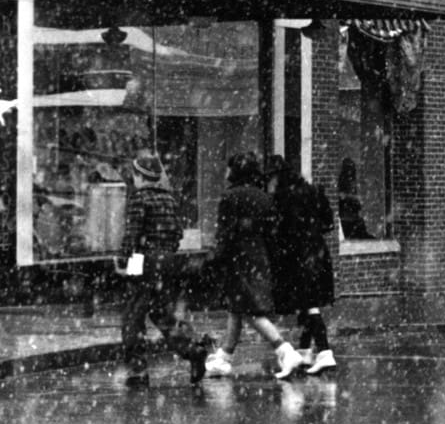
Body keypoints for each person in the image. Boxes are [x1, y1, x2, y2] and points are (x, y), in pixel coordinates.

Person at [203, 153, 306, 380]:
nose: (225, 172)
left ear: (236, 171)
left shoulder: (230, 197)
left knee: (249, 310)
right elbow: (272, 232)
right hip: (259, 257)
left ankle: (284, 350)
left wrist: (213, 259)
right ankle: (224, 356)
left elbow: (225, 234)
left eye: (228, 168)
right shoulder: (264, 198)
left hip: (237, 259)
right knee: (238, 308)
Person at [117, 150, 211, 387]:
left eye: (135, 174)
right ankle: (192, 349)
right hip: (168, 262)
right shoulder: (169, 199)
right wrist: (165, 251)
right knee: (163, 313)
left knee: (133, 316)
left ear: (139, 175)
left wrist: (123, 258)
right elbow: (178, 233)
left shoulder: (139, 198)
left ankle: (138, 370)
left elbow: (132, 234)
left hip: (144, 260)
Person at [267, 154, 338, 374]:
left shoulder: (282, 197)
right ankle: (306, 350)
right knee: (309, 299)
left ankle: (325, 352)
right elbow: (328, 224)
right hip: (317, 253)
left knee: (308, 303)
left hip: (297, 256)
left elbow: (280, 231)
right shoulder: (314, 191)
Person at [337, 158, 372, 239]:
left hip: (350, 215)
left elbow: (344, 196)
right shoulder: (345, 181)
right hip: (347, 215)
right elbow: (342, 195)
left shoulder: (349, 180)